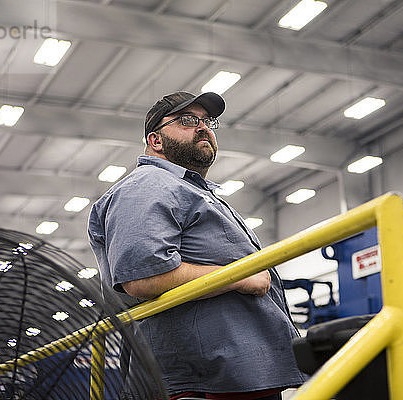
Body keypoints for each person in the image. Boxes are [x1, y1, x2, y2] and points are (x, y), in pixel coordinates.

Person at [88, 91, 307, 399]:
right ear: (156, 140)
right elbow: (143, 277)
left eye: (208, 121)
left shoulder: (190, 191)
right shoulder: (147, 186)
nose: (203, 127)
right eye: (188, 120)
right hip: (201, 380)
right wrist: (242, 277)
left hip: (233, 372)